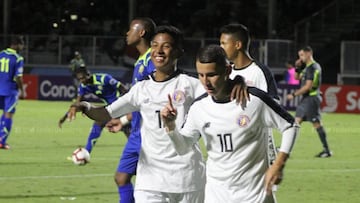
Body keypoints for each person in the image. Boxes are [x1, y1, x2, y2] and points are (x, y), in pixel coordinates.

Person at [68, 26, 247, 203]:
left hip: (188, 178)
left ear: (178, 52)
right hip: (150, 181)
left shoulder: (190, 84)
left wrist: (239, 81)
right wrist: (85, 106)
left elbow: (222, 90)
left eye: (166, 46)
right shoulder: (141, 89)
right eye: (154, 45)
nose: (158, 51)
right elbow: (106, 113)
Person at [161, 44, 299, 203]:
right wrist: (171, 126)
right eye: (201, 75)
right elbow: (183, 147)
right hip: (216, 195)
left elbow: (290, 125)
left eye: (212, 75)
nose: (206, 82)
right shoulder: (198, 108)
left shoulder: (254, 100)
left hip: (254, 196)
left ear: (227, 71)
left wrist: (278, 165)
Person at [219, 23, 279, 178]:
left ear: (238, 44)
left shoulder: (259, 72)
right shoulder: (226, 73)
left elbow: (275, 109)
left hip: (258, 149)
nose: (221, 47)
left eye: (224, 43)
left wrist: (251, 95)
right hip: (231, 148)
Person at [114, 17, 157, 203]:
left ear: (141, 33)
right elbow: (139, 101)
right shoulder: (140, 61)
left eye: (131, 29)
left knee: (152, 185)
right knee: (121, 177)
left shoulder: (153, 60)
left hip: (150, 133)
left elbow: (155, 98)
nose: (127, 33)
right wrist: (124, 120)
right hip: (135, 132)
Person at [58, 65, 128, 154]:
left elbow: (123, 88)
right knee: (126, 130)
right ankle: (86, 152)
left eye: (83, 78)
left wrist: (125, 104)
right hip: (111, 108)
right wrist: (64, 117)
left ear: (88, 74)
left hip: (121, 105)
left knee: (100, 124)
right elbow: (77, 103)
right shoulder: (84, 86)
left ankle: (86, 152)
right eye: (79, 79)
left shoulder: (104, 78)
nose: (82, 81)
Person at [287, 46, 332, 158]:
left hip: (311, 99)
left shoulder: (313, 67)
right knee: (296, 123)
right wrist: (297, 67)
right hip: (307, 99)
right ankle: (286, 149)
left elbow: (307, 87)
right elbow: (297, 78)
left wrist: (293, 94)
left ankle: (326, 150)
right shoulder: (307, 67)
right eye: (299, 56)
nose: (300, 58)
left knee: (316, 124)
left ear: (308, 54)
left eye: (302, 55)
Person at [0, 36, 26, 149]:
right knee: (8, 114)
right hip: (10, 90)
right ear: (17, 45)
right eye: (22, 45)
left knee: (4, 114)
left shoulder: (1, 54)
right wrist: (22, 90)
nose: (23, 47)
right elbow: (18, 77)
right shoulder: (18, 58)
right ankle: (2, 142)